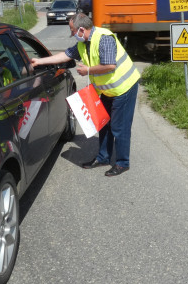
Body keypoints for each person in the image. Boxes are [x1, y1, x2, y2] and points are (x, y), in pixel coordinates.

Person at [31, 13, 140, 177]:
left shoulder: (104, 38)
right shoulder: (83, 44)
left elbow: (110, 65)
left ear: (82, 29)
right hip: (107, 89)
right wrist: (39, 62)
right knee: (104, 124)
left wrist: (87, 70)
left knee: (119, 127)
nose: (72, 34)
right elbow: (65, 55)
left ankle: (122, 163)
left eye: (73, 31)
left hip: (124, 87)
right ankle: (103, 158)